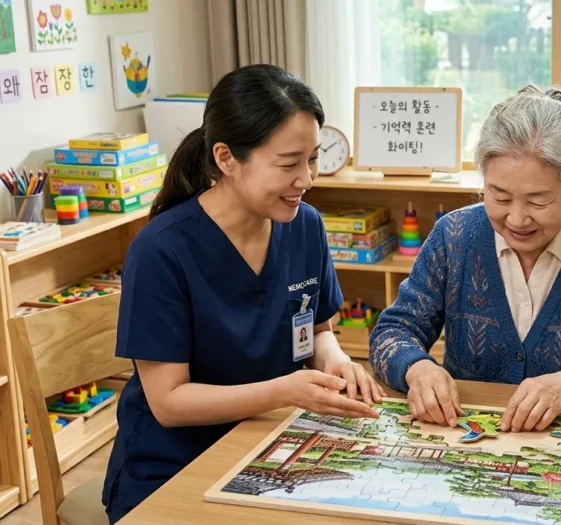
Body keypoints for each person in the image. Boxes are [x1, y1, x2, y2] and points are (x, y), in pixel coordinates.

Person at [102, 64, 386, 523]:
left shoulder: (305, 225)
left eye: (312, 159)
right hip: (174, 465)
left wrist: (336, 363)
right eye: (288, 164)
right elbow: (168, 403)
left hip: (272, 442)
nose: (306, 178)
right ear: (227, 158)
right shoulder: (162, 250)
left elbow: (318, 331)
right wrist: (284, 391)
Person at [368, 85, 561, 433]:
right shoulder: (454, 236)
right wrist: (416, 368)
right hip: (465, 436)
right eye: (500, 196)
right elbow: (392, 332)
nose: (518, 219)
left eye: (538, 201)